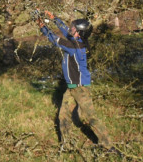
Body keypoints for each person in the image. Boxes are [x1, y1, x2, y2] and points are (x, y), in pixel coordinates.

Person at [34, 10, 120, 155]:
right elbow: (64, 30)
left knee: (91, 116)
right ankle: (66, 145)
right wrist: (54, 17)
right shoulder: (78, 41)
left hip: (80, 88)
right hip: (72, 87)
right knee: (63, 115)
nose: (70, 29)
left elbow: (54, 39)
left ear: (78, 33)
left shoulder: (74, 47)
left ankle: (108, 146)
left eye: (73, 28)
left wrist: (42, 26)